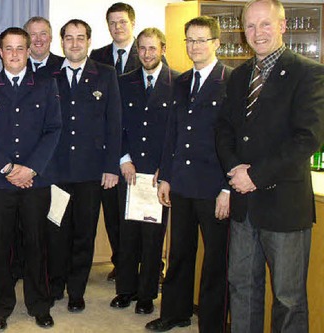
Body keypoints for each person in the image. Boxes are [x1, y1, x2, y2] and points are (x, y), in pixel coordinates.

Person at [216, 1, 324, 331]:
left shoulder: (308, 72)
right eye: (250, 26)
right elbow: (224, 129)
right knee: (242, 289)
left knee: (289, 299)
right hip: (244, 204)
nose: (257, 33)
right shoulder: (238, 77)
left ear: (282, 26)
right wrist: (235, 170)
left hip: (284, 206)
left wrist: (256, 176)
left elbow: (308, 138)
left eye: (265, 25)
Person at [0, 27, 61, 330]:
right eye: (8, 48)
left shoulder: (46, 85)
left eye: (20, 48)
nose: (14, 54)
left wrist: (30, 168)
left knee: (37, 244)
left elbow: (53, 129)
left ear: (27, 51)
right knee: (0, 246)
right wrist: (9, 169)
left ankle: (39, 305)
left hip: (36, 181)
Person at [146, 16, 231, 333]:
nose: (195, 46)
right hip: (181, 182)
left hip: (215, 187)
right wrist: (166, 176)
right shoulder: (180, 82)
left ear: (216, 44)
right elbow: (172, 133)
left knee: (215, 262)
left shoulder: (230, 81)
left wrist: (228, 189)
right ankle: (174, 313)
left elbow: (236, 139)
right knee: (178, 253)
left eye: (201, 40)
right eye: (190, 40)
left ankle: (212, 324)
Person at [47, 19, 121, 313]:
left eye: (80, 38)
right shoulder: (49, 75)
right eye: (69, 38)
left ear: (89, 41)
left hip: (91, 172)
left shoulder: (105, 74)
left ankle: (76, 290)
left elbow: (114, 124)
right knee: (56, 232)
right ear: (61, 42)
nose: (74, 44)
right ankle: (55, 284)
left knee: (84, 233)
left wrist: (111, 166)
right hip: (56, 172)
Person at [110, 27, 178, 315]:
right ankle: (125, 289)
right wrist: (123, 158)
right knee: (127, 234)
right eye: (142, 49)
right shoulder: (123, 82)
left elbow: (177, 132)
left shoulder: (178, 82)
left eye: (153, 48)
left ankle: (147, 294)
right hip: (130, 170)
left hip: (158, 175)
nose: (147, 54)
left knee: (152, 237)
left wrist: (167, 167)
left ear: (163, 48)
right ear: (137, 51)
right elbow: (115, 124)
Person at [89, 2, 139, 281]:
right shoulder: (97, 57)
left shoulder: (148, 52)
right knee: (112, 213)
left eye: (122, 22)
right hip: (106, 148)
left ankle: (144, 268)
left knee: (135, 214)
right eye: (112, 22)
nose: (117, 27)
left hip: (136, 146)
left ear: (132, 23)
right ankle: (121, 263)